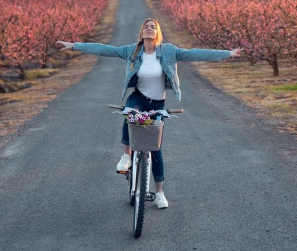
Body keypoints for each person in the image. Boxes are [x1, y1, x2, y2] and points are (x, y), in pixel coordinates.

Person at [57, 18, 241, 209]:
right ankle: (126, 156)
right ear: (141, 33)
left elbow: (195, 54)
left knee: (156, 149)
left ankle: (160, 192)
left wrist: (227, 54)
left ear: (158, 32)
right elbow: (105, 49)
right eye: (146, 26)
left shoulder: (169, 51)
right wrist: (75, 46)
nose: (149, 28)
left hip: (158, 103)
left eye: (153, 27)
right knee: (129, 113)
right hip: (138, 98)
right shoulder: (132, 51)